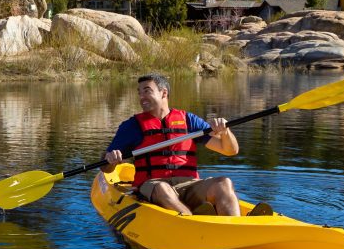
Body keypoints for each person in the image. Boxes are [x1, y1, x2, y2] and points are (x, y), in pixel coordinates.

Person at [102, 73, 271, 217]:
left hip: (188, 184)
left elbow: (230, 150)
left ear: (163, 93)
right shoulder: (132, 126)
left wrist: (225, 132)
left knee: (224, 183)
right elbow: (106, 168)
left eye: (147, 91)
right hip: (153, 185)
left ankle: (236, 228)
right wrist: (110, 160)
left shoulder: (188, 120)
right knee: (163, 188)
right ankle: (192, 222)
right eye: (139, 93)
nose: (142, 97)